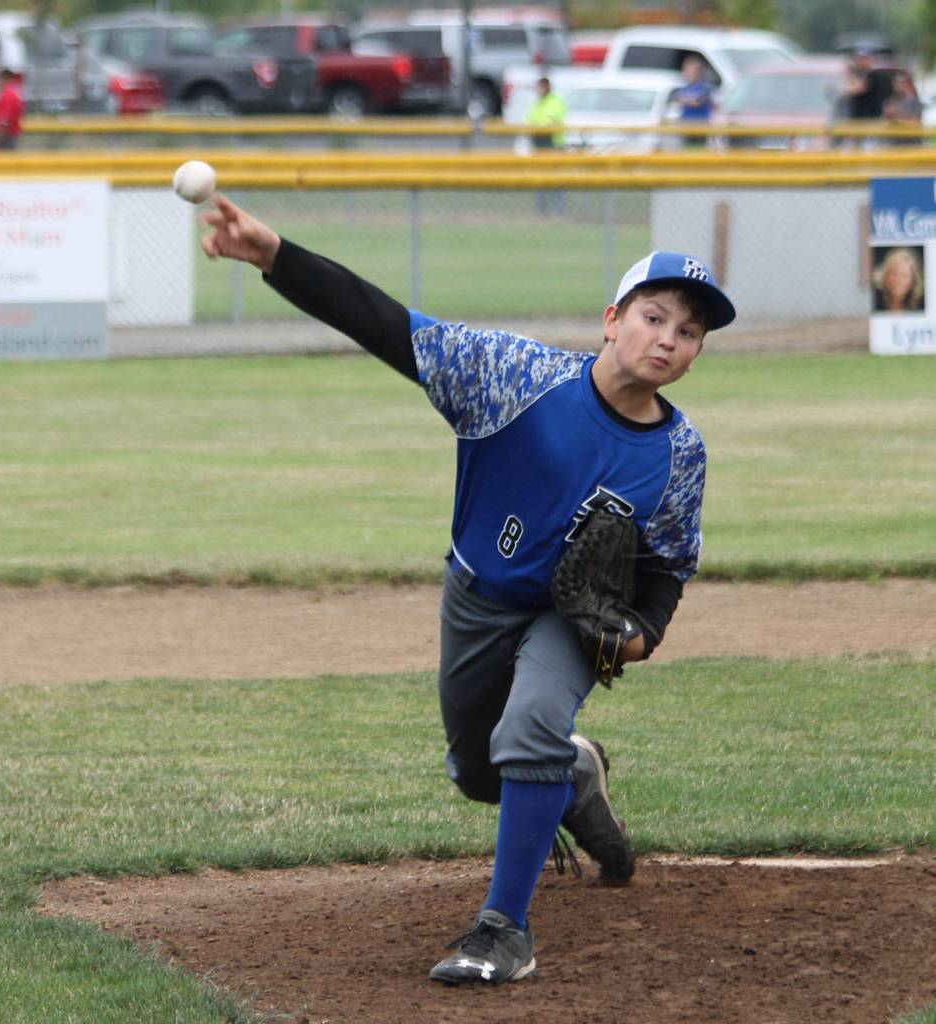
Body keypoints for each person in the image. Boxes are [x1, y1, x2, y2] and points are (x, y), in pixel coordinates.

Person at [199, 195, 736, 985]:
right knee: (479, 772)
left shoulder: (680, 453)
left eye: (688, 332)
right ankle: (576, 776)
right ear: (612, 318)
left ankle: (504, 929)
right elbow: (382, 323)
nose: (668, 339)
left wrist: (639, 636)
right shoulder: (511, 376)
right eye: (655, 317)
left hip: (565, 620)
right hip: (479, 599)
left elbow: (666, 566)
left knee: (529, 728)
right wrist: (271, 252)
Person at [526, 76, 567, 215]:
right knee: (540, 179)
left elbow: (550, 121)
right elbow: (531, 120)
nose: (539, 90)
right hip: (539, 145)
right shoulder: (538, 103)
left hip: (554, 145)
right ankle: (542, 210)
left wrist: (538, 126)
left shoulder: (555, 101)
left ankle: (558, 210)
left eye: (541, 87)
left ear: (547, 87)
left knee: (556, 179)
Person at [672, 56, 713, 148]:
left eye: (690, 71)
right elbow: (676, 98)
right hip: (686, 127)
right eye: (686, 70)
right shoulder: (685, 88)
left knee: (698, 151)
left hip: (700, 128)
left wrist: (685, 99)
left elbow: (697, 101)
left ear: (698, 72)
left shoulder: (704, 87)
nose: (687, 74)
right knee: (686, 151)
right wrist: (688, 99)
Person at [873, 247, 924, 312]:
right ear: (886, 275)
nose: (898, 280)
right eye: (894, 273)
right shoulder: (873, 299)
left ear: (913, 281)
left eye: (905, 276)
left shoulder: (921, 306)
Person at [0, 68, 24, 152]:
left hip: (6, 137)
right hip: (9, 136)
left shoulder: (7, 95)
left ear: (4, 78)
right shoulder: (13, 93)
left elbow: (3, 122)